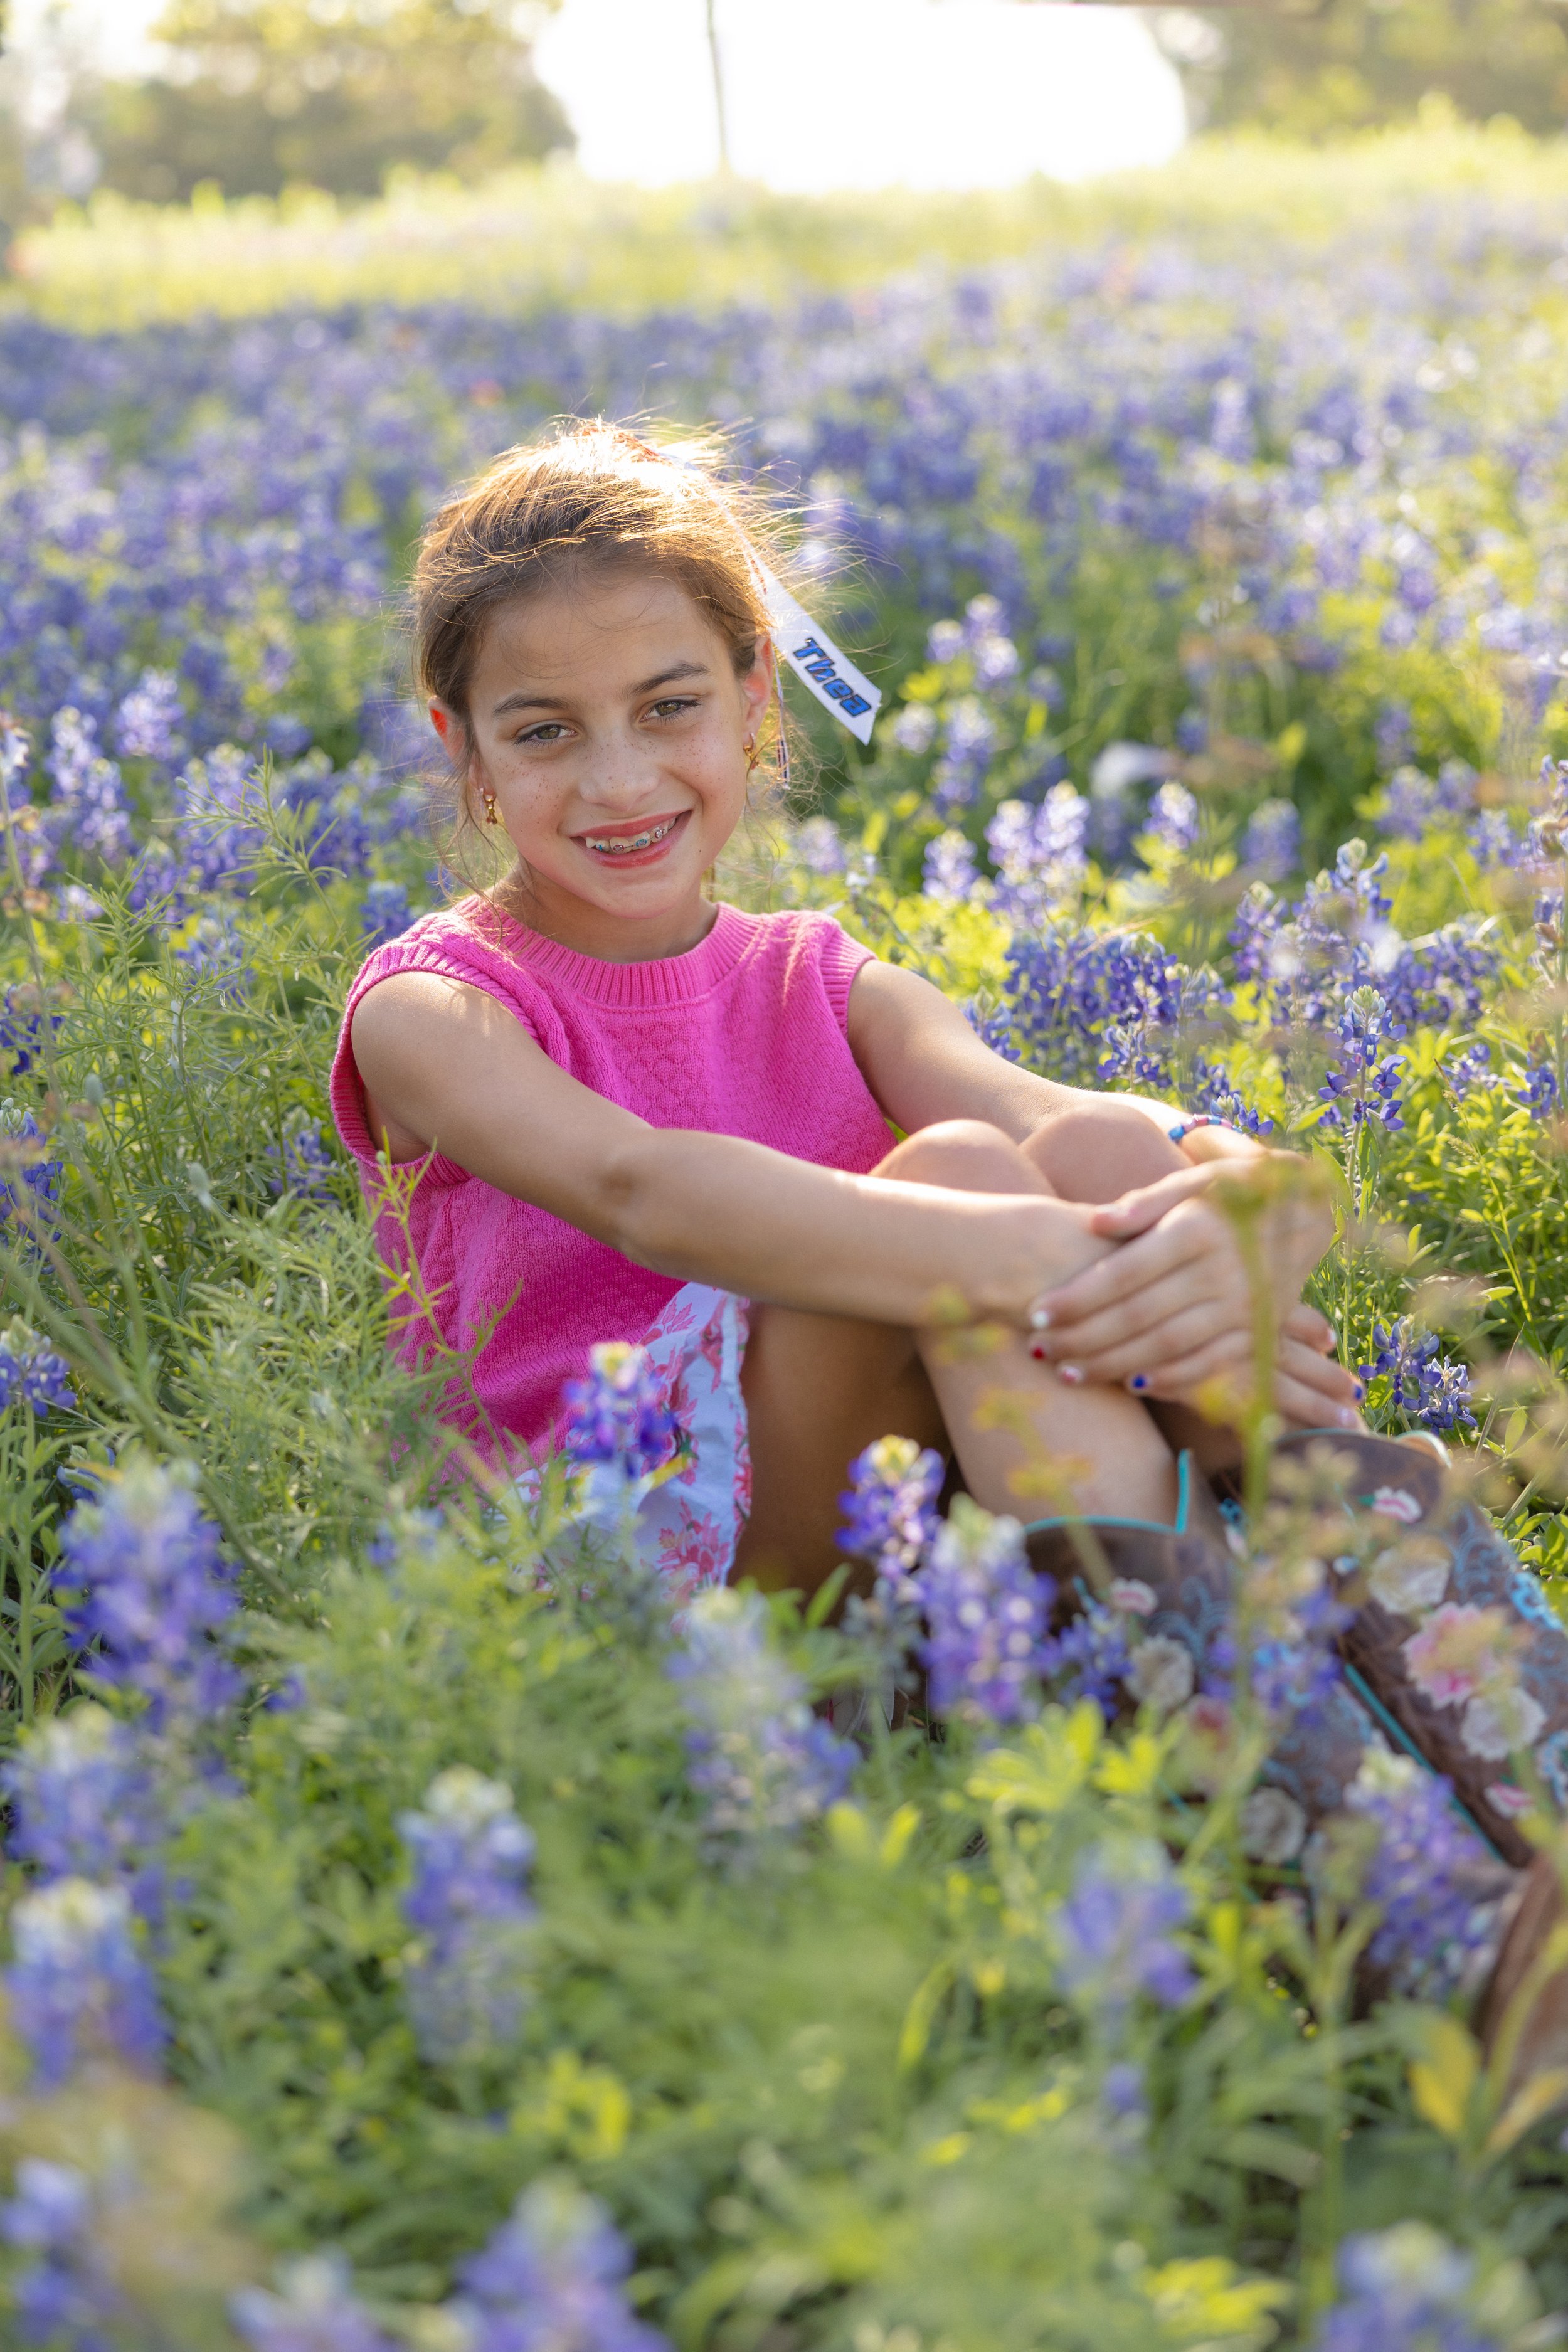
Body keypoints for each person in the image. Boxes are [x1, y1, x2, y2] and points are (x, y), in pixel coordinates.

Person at [330, 421, 1359, 1594]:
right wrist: (1050, 1255)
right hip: (627, 1545)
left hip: (908, 1508)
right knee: (963, 1176)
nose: (618, 779)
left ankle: (1324, 1580)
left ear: (755, 695)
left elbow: (1052, 1112)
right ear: (463, 751)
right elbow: (644, 1191)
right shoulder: (432, 1009)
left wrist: (1256, 1200)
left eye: (669, 706)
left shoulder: (816, 977)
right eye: (545, 731)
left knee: (1106, 1148)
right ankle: (1189, 1667)